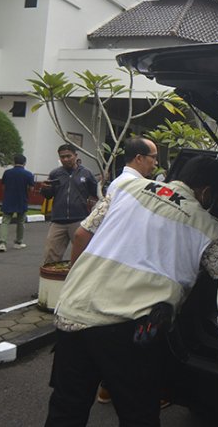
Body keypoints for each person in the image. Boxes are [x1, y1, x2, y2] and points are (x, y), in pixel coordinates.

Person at [44, 156, 218, 427]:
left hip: (73, 313)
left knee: (66, 410)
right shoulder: (208, 227)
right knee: (138, 415)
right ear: (206, 192)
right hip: (128, 329)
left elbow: (83, 236)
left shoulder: (125, 189)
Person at [70, 137, 158, 404]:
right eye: (153, 156)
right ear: (139, 158)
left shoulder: (120, 184)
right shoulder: (134, 187)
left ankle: (105, 386)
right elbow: (82, 234)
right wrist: (75, 273)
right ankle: (110, 386)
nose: (156, 162)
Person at [39, 144, 97, 264]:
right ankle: (51, 281)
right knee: (50, 256)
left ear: (75, 156)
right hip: (58, 221)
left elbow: (97, 193)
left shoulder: (86, 173)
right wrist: (44, 189)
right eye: (62, 157)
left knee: (82, 257)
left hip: (80, 221)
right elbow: (48, 195)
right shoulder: (55, 174)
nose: (65, 159)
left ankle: (81, 281)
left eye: (68, 156)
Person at [0, 154, 35, 252]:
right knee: (20, 222)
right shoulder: (28, 174)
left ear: (14, 162)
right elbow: (31, 189)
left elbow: (3, 187)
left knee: (5, 221)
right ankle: (18, 242)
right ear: (25, 163)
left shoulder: (7, 173)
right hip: (22, 200)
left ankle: (2, 243)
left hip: (8, 200)